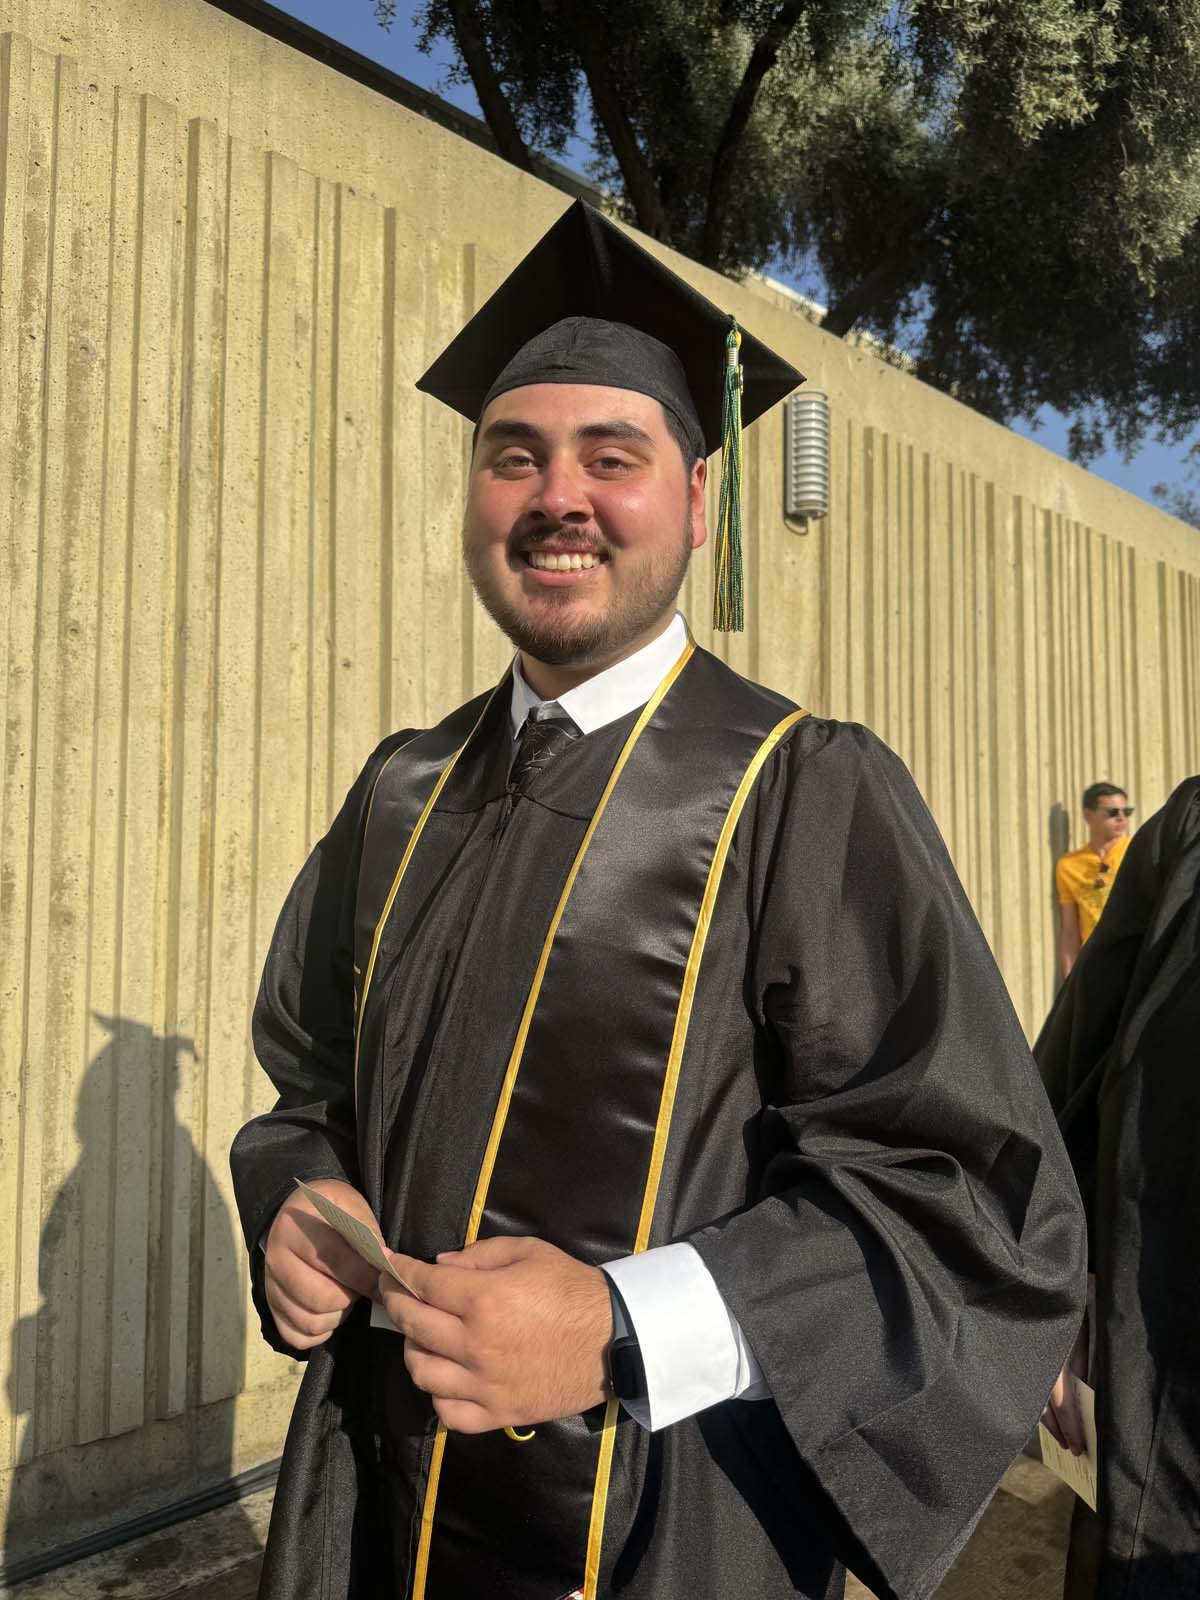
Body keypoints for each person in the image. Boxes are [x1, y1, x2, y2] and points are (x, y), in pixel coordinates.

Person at [230, 200, 1086, 1600]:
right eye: (514, 456)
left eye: (610, 457)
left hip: (670, 1525)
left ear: (696, 502)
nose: (556, 495)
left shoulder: (799, 790)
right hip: (381, 1508)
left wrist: (623, 1324)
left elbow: (967, 1201)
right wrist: (296, 1194)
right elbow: (310, 1086)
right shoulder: (403, 789)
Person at [1036, 776, 1200, 1600]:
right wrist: (1055, 1291)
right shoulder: (1176, 841)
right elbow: (1084, 1044)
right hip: (1168, 1368)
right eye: (1112, 812)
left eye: (1123, 812)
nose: (1119, 820)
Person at [1056, 783, 1134, 976]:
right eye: (1112, 812)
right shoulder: (1068, 865)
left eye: (1127, 812)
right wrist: (1070, 979)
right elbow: (1070, 930)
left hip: (1134, 957)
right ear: (1088, 815)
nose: (1121, 818)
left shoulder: (1137, 851)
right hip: (1095, 963)